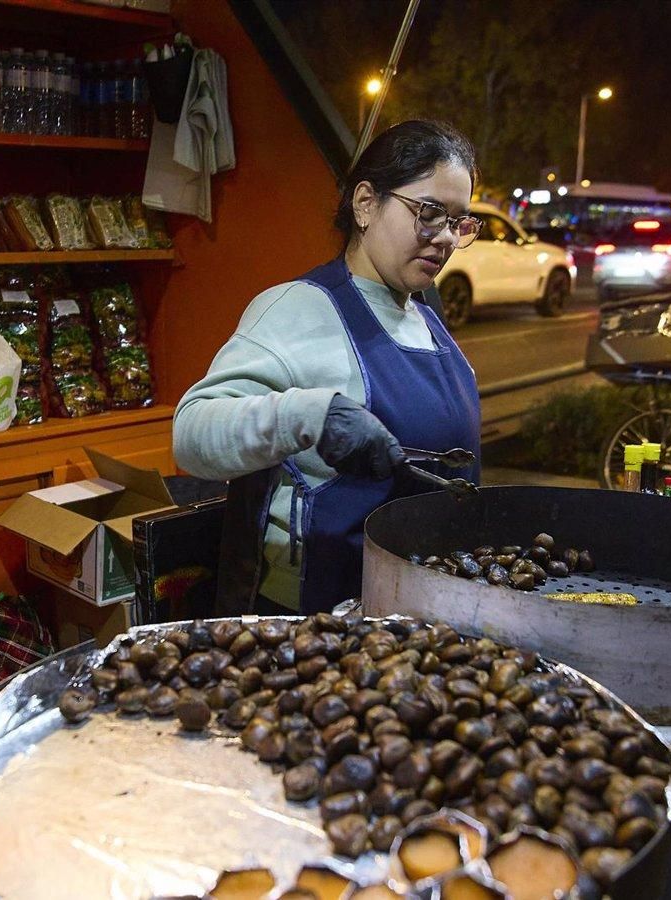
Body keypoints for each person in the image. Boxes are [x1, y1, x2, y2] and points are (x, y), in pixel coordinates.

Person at [173, 120, 483, 614]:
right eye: (429, 213)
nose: (444, 237)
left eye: (458, 222)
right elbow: (191, 435)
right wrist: (311, 416)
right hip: (322, 623)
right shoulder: (298, 308)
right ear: (365, 203)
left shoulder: (424, 316)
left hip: (422, 611)